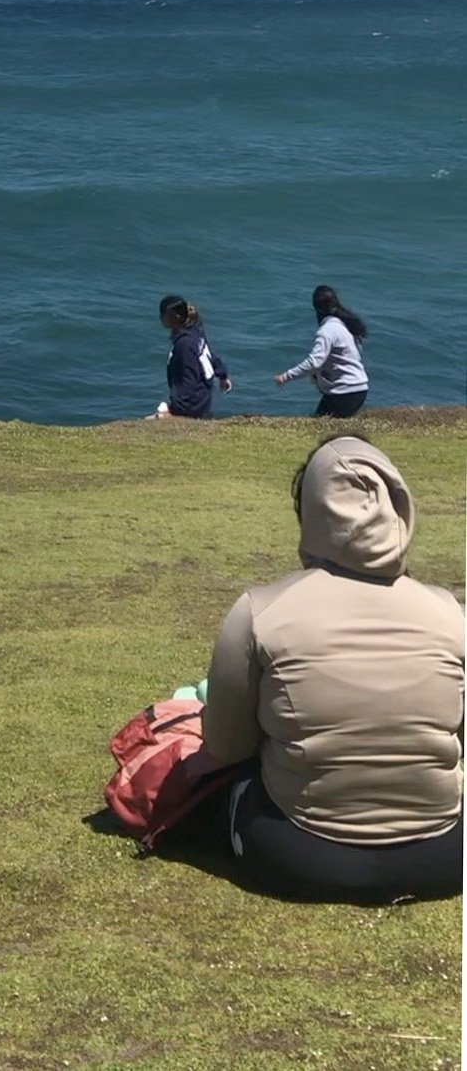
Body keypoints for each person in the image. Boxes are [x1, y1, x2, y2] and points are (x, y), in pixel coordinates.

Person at [201, 436, 463, 902]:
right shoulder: (449, 611)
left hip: (302, 857)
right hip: (445, 858)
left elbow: (225, 748)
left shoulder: (260, 610)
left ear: (313, 515)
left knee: (232, 781)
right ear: (398, 507)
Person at [274, 284, 369, 417]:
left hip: (344, 392)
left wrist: (286, 377)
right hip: (360, 389)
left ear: (317, 309)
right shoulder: (347, 325)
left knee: (318, 426)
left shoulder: (327, 330)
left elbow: (314, 363)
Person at [153, 295, 232, 419]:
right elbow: (210, 356)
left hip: (192, 407)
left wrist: (174, 411)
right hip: (202, 402)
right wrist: (223, 375)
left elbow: (188, 381)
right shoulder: (195, 333)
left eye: (163, 314)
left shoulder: (185, 344)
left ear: (175, 317)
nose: (160, 317)